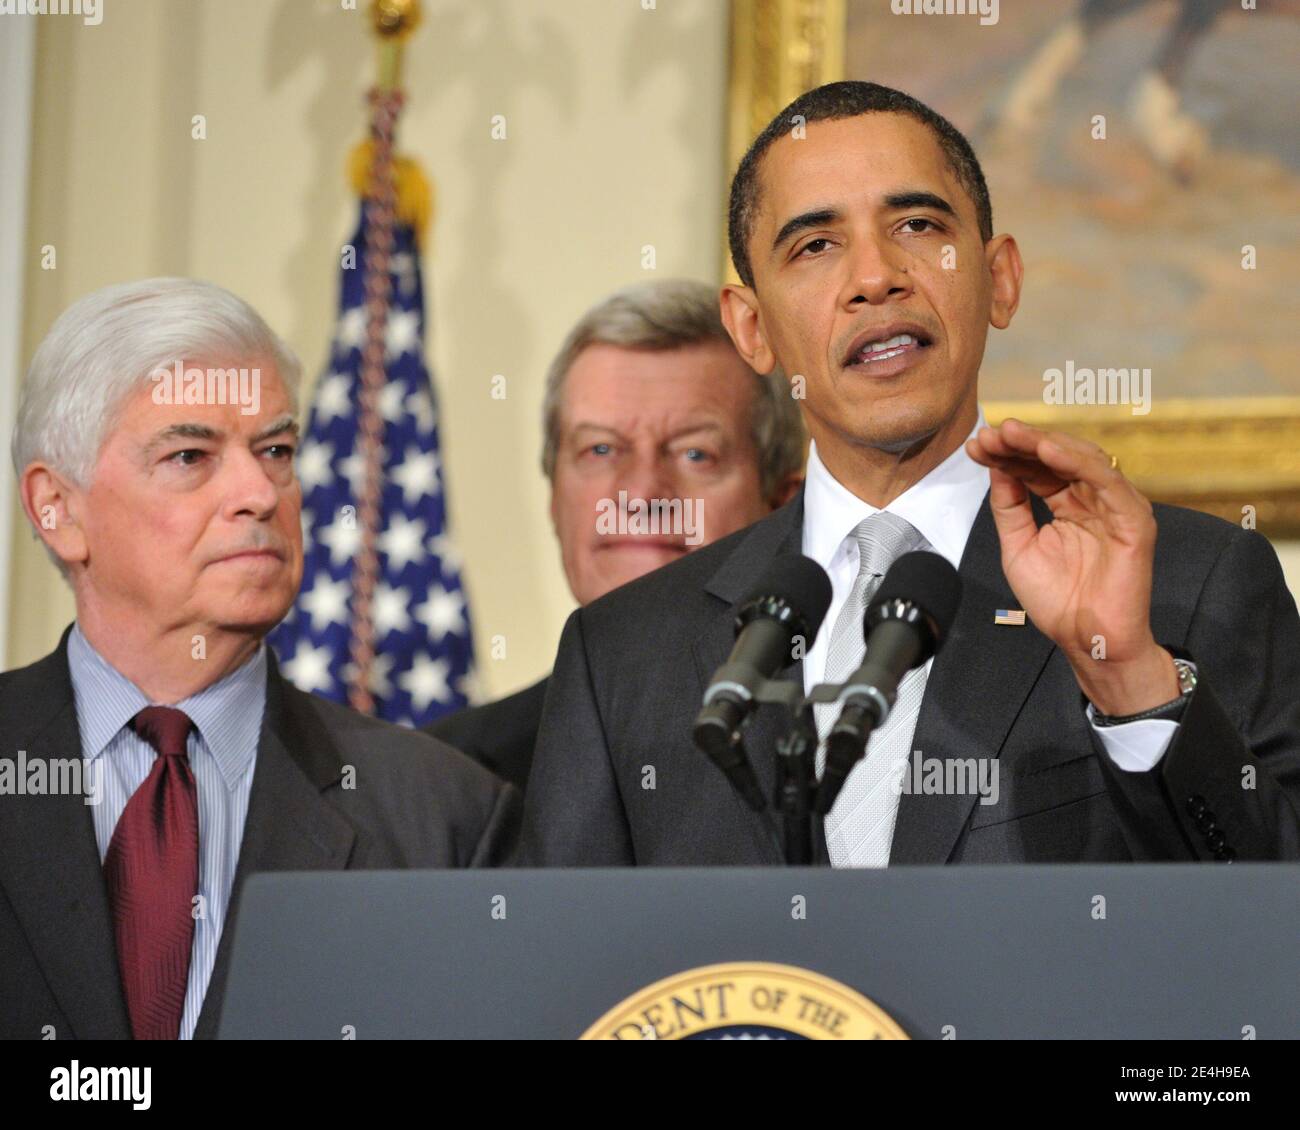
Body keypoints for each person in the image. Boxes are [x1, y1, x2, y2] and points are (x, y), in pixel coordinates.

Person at [521, 81, 1300, 866]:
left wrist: (1129, 680)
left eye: (918, 226)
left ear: (999, 279)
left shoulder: (1192, 586)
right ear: (752, 329)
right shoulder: (622, 654)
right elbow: (570, 970)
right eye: (815, 246)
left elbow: (1276, 937)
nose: (876, 277)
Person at [0, 278, 519, 1041]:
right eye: (189, 455)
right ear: (58, 509)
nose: (259, 492)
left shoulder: (445, 817)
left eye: (275, 450)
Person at [426, 279, 804, 791]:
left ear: (783, 502)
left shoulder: (845, 743)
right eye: (601, 450)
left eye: (695, 453)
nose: (642, 494)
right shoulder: (451, 775)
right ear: (555, 497)